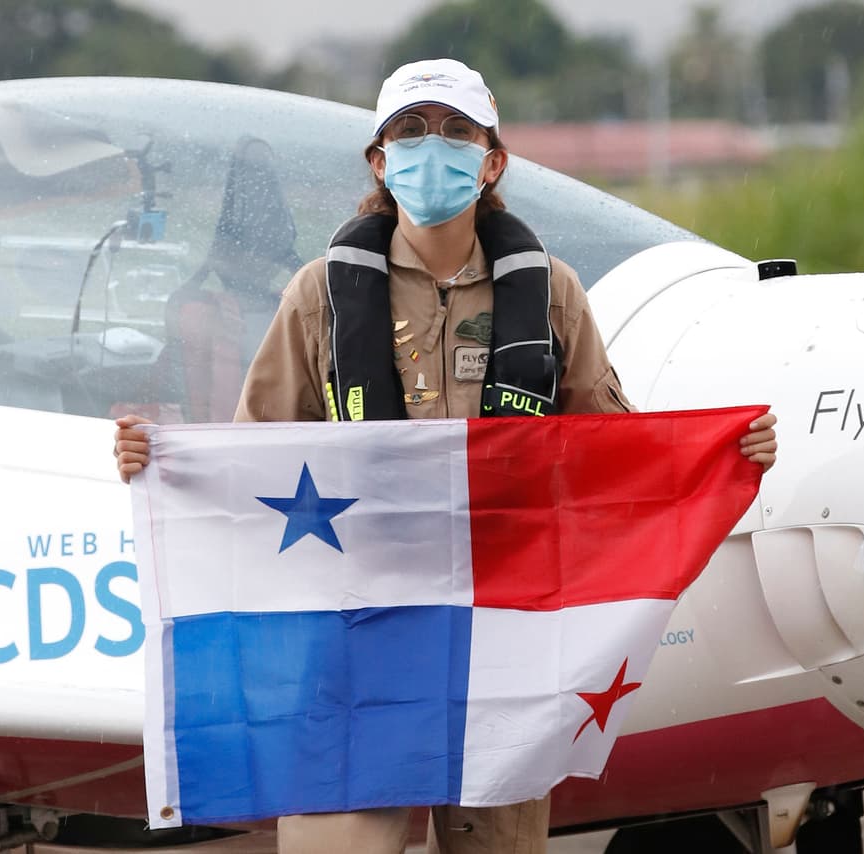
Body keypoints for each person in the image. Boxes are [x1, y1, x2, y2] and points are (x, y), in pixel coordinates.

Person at [114, 57, 778, 854]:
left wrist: (720, 455)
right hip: (357, 623)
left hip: (502, 630)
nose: (434, 147)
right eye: (411, 131)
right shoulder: (320, 293)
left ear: (492, 161)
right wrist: (158, 463)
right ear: (379, 160)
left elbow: (611, 448)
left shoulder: (551, 292)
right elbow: (255, 452)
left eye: (457, 131)